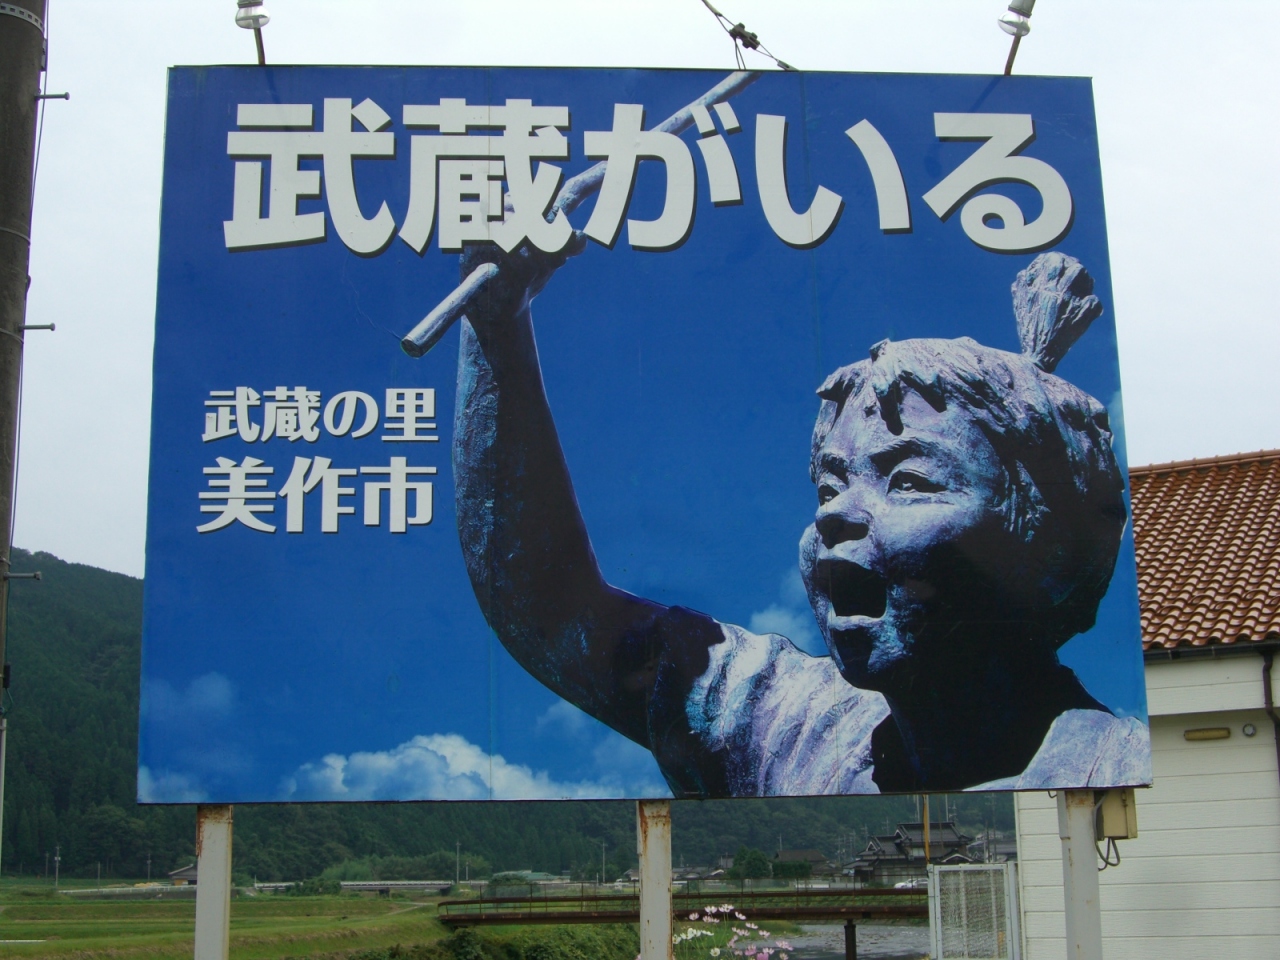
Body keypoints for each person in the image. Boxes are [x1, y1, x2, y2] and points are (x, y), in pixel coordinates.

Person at [451, 239, 1150, 796]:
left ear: (1051, 550)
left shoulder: (1110, 769)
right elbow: (548, 607)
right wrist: (499, 324)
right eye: (829, 486)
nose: (839, 514)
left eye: (909, 480)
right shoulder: (786, 723)